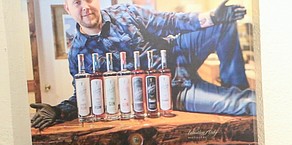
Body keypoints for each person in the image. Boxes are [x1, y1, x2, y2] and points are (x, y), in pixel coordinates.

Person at [30, 0, 255, 130]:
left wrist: (212, 17)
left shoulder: (125, 13)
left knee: (223, 23)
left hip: (179, 55)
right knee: (243, 104)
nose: (85, 6)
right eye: (77, 2)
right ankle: (236, 98)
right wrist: (57, 111)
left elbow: (169, 21)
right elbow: (83, 96)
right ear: (68, 9)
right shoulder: (78, 54)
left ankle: (233, 85)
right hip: (171, 92)